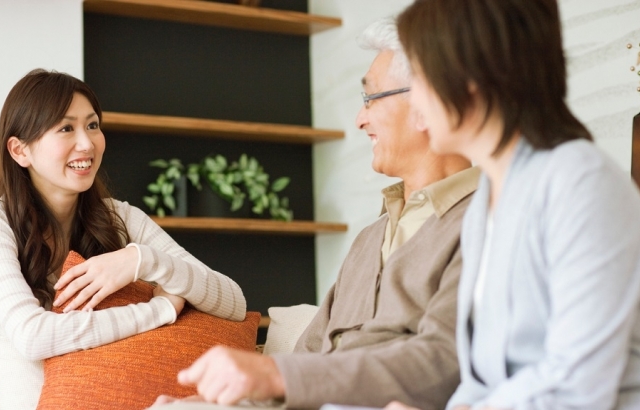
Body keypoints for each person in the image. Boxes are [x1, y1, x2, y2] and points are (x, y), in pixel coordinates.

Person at [160, 18, 480, 410]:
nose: (360, 120)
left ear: (426, 102)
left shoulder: (485, 222)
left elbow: (443, 363)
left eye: (371, 99)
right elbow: (307, 354)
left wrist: (279, 378)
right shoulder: (371, 237)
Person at [393, 0, 640, 409]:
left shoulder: (583, 185)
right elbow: (483, 381)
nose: (414, 102)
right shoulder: (487, 205)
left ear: (471, 76)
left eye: (421, 77)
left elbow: (576, 388)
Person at [0, 69, 247, 410]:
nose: (87, 143)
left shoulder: (120, 217)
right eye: (66, 128)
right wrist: (161, 309)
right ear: (20, 151)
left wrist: (141, 260)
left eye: (92, 125)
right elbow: (32, 336)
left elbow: (234, 302)